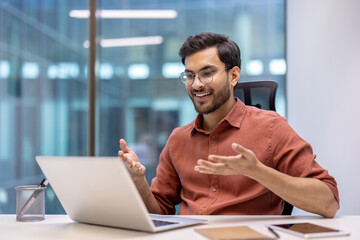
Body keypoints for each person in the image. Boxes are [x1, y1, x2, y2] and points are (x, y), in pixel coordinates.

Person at [118, 32, 339, 217]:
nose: (196, 85)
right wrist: (138, 181)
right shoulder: (178, 139)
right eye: (189, 76)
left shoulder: (272, 128)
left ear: (233, 76)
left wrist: (257, 172)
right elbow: (160, 213)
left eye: (207, 73)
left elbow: (328, 202)